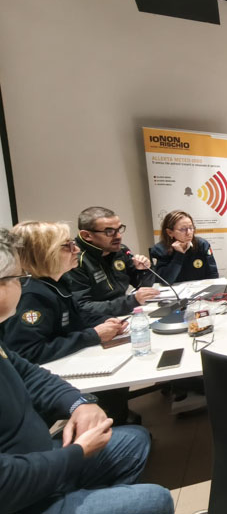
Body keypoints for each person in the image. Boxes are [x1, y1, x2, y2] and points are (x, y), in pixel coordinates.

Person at [0, 228, 174, 514]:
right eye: (18, 278)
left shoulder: (60, 285)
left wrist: (79, 403)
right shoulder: (37, 294)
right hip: (21, 494)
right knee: (158, 499)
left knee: (135, 439)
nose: (23, 283)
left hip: (42, 458)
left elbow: (29, 374)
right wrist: (77, 454)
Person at [0, 222, 127, 364]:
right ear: (44, 253)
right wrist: (93, 335)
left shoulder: (58, 282)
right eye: (68, 246)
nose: (77, 249)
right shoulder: (30, 295)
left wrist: (105, 321)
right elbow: (28, 352)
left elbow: (77, 317)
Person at [66, 207, 159, 317]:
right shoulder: (74, 260)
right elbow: (83, 308)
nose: (118, 236)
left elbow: (143, 286)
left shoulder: (121, 250)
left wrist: (144, 270)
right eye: (109, 232)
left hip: (122, 314)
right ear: (86, 235)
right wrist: (131, 301)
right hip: (96, 321)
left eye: (119, 229)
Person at [149, 210, 219, 284]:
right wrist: (179, 254)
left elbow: (213, 275)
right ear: (170, 232)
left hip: (201, 289)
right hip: (173, 290)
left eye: (191, 228)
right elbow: (165, 281)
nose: (189, 233)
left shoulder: (202, 245)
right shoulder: (159, 250)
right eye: (182, 229)